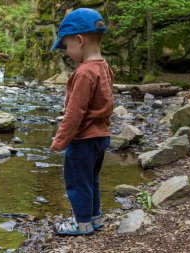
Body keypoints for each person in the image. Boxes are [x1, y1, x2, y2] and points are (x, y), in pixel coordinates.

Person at [50, 8, 114, 236]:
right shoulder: (104, 67)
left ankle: (82, 223)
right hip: (101, 136)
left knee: (77, 181)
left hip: (83, 139)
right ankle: (94, 217)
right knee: (91, 179)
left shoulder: (84, 72)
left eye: (66, 46)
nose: (66, 52)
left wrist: (60, 140)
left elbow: (74, 113)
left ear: (79, 40)